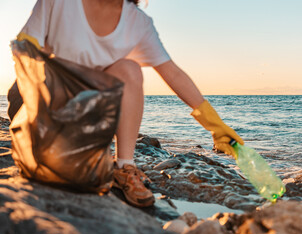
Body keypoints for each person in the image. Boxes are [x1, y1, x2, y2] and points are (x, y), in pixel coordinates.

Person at [15, 0, 244, 208]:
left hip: (89, 110)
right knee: (61, 171)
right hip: (44, 101)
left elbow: (172, 72)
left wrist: (214, 124)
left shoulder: (138, 22)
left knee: (129, 69)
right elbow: (25, 46)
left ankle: (124, 166)